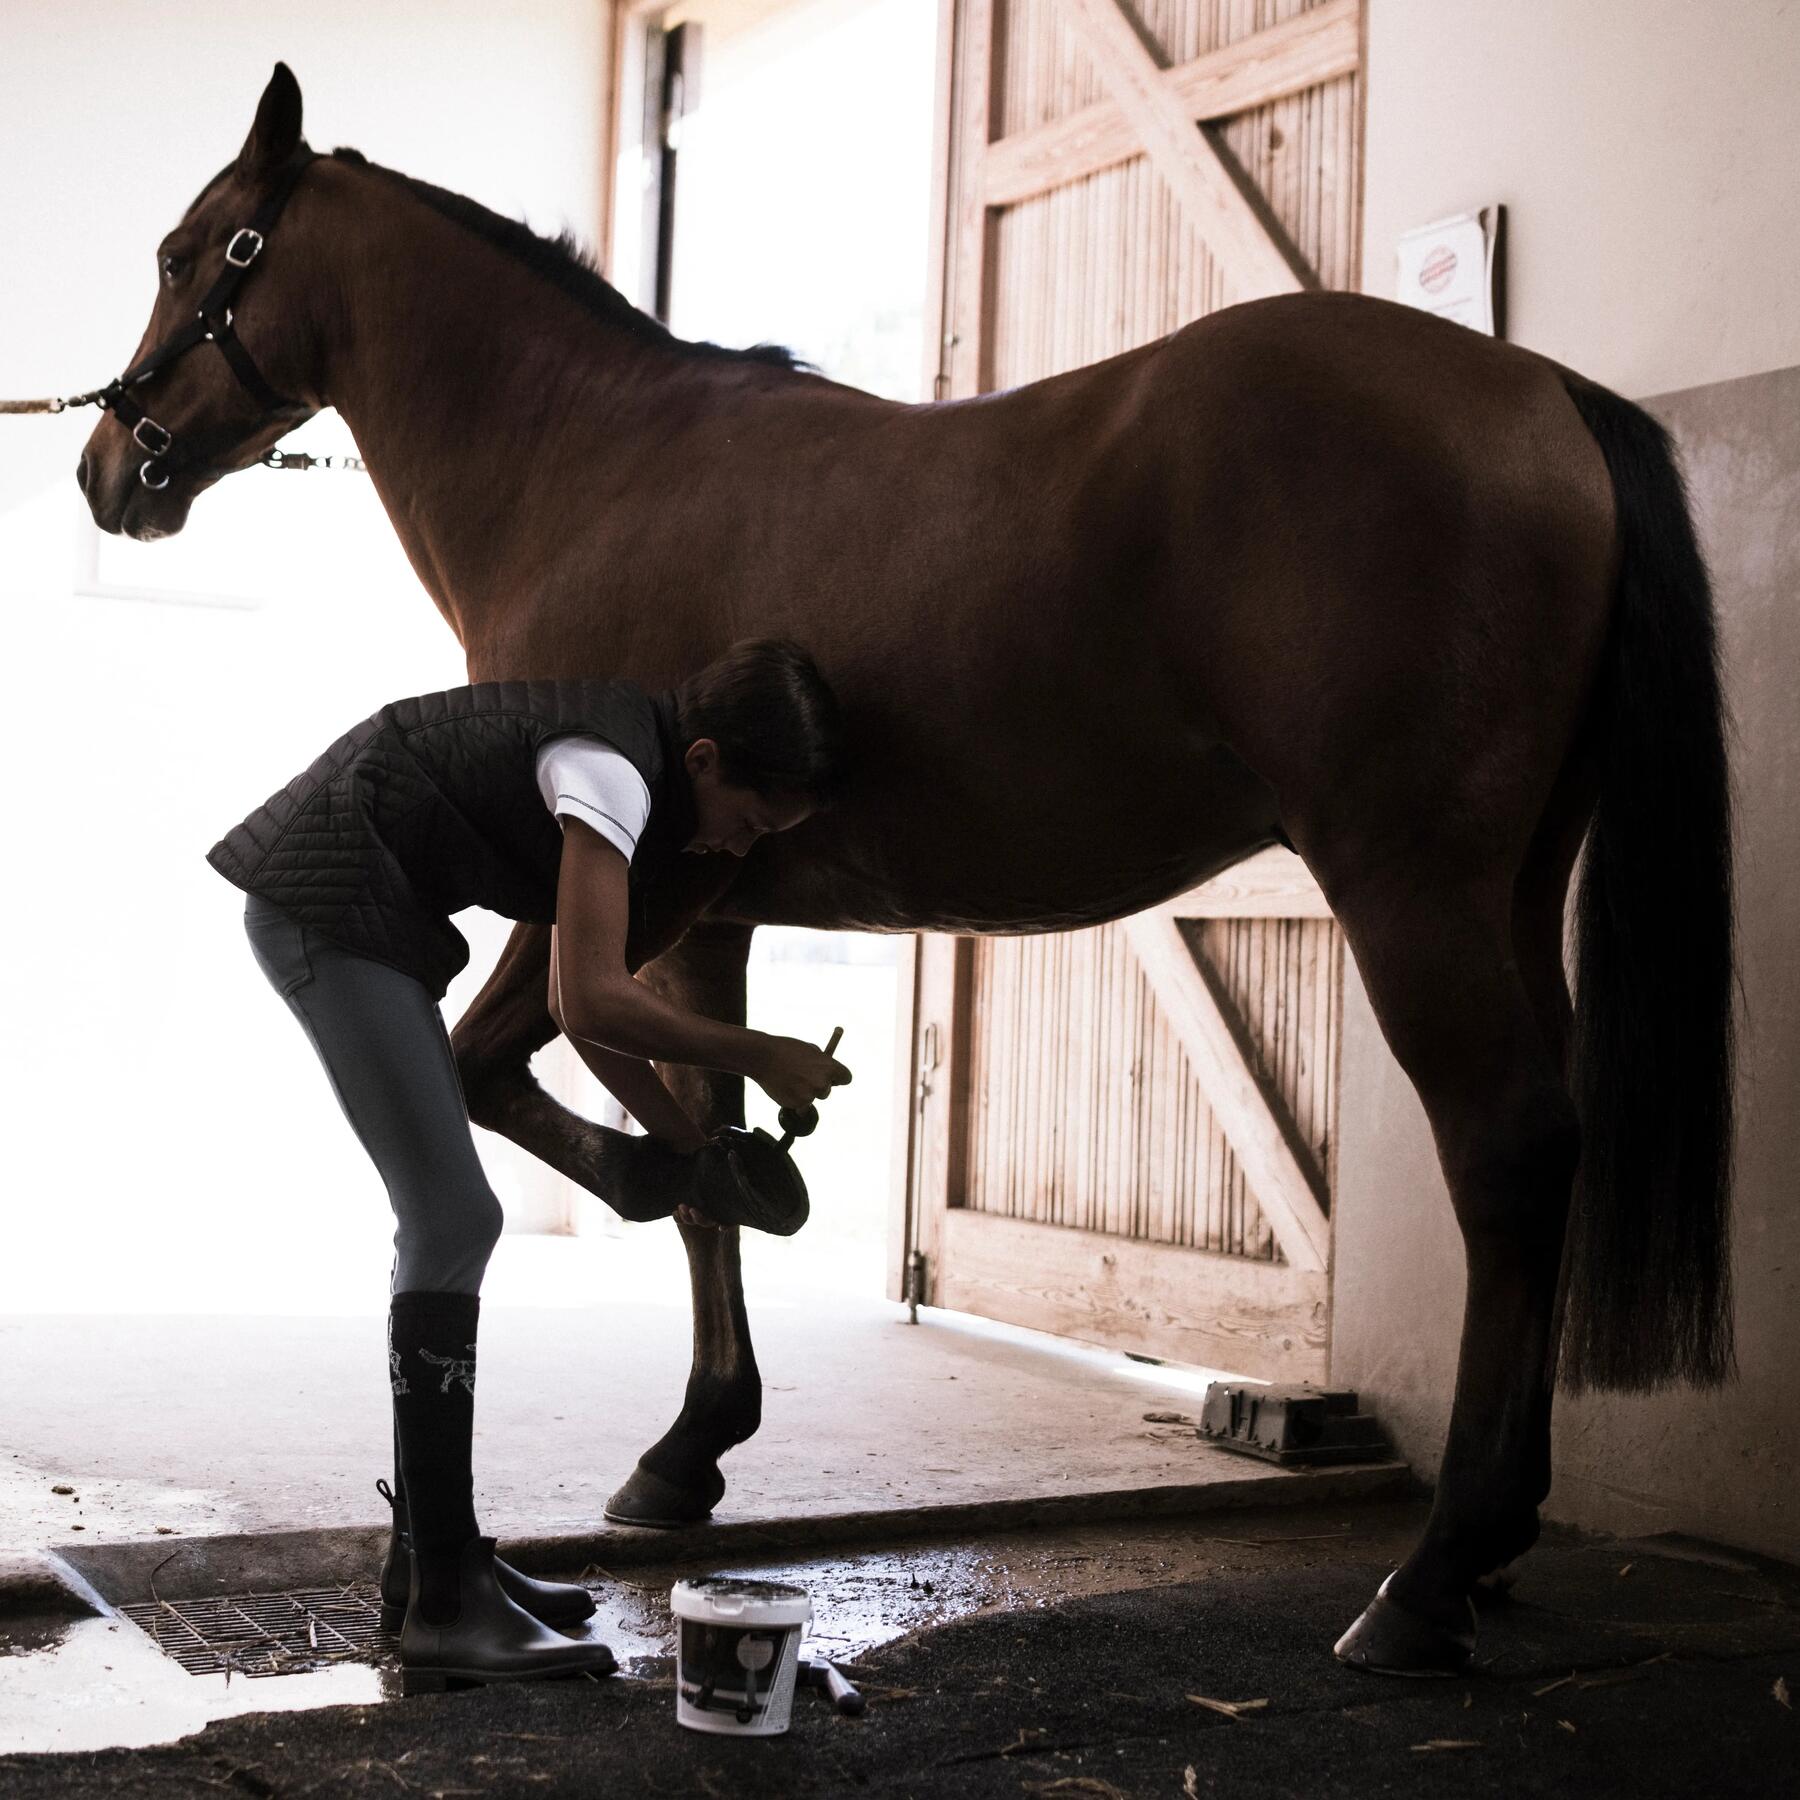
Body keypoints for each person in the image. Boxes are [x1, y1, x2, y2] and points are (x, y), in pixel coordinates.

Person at [207, 638, 852, 1691]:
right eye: (753, 818)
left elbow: (568, 1005)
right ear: (702, 760)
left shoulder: (620, 760)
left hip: (366, 908)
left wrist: (683, 1144)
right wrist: (760, 1055)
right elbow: (598, 998)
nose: (741, 847)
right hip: (326, 903)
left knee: (454, 1221)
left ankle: (429, 1570)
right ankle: (448, 1604)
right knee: (455, 1219)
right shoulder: (609, 775)